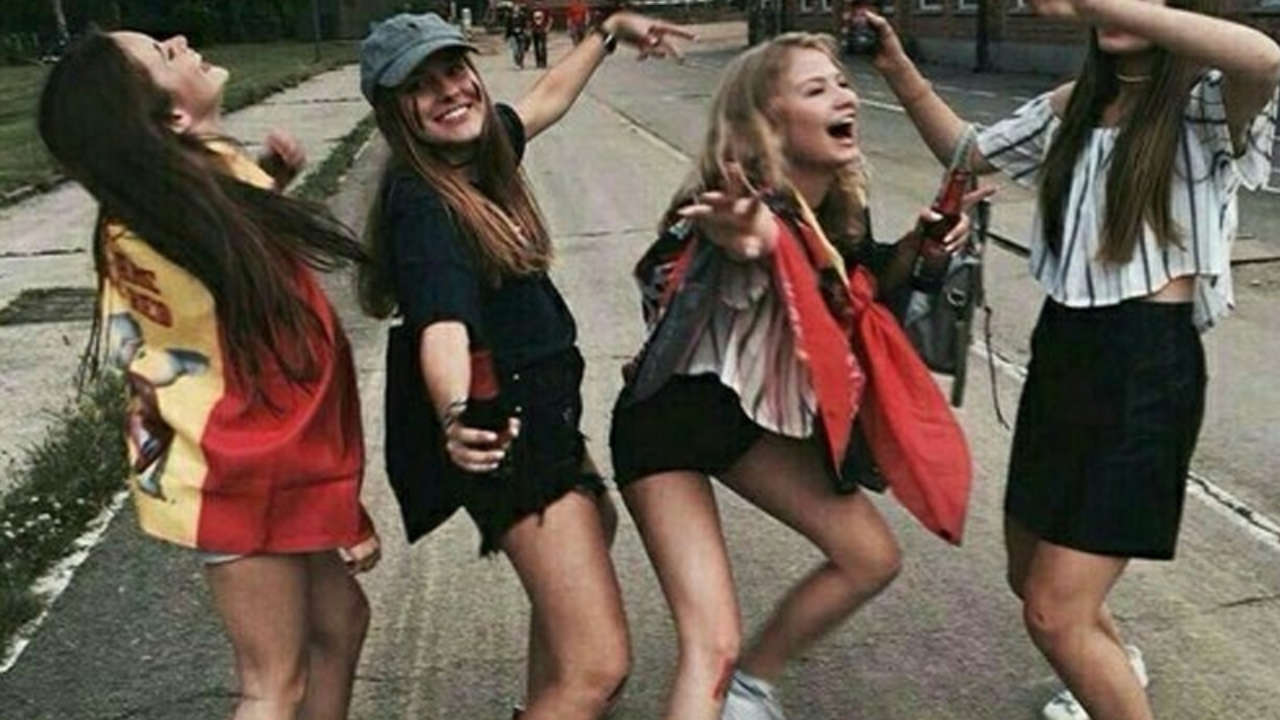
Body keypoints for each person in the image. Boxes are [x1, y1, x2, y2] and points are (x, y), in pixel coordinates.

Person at [864, 1, 1280, 718]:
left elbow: (1266, 58)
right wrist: (896, 66)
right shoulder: (1074, 104)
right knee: (1029, 576)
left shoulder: (1203, 103)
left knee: (1056, 612)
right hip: (1064, 350)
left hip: (1146, 365)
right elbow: (967, 152)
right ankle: (1114, 669)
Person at [609, 32, 990, 720]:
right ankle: (731, 681)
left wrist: (921, 248)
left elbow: (856, 283)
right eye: (816, 90)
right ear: (768, 122)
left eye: (841, 82)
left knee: (869, 557)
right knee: (710, 645)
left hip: (741, 423)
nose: (845, 97)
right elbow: (752, 243)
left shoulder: (834, 207)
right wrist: (749, 235)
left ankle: (751, 688)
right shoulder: (739, 209)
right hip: (665, 426)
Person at [356, 12, 692, 720]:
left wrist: (607, 31)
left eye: (453, 70)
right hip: (511, 438)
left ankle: (542, 703)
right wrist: (456, 412)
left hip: (543, 421)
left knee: (596, 532)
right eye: (420, 86)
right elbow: (442, 325)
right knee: (598, 667)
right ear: (394, 113)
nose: (449, 90)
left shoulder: (474, 158)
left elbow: (546, 99)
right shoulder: (424, 205)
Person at [38, 29, 382, 720]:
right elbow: (276, 373)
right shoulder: (174, 211)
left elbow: (226, 241)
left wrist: (271, 181)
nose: (180, 40)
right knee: (272, 682)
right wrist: (339, 501)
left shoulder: (172, 193)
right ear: (171, 117)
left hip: (236, 458)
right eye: (163, 54)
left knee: (340, 622)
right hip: (239, 462)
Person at [506, 3, 530, 69]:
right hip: (513, 35)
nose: (516, 9)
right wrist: (507, 36)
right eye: (515, 8)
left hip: (521, 34)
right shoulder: (510, 17)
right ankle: (517, 63)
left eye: (517, 8)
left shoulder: (522, 16)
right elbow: (508, 27)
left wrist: (525, 31)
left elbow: (526, 25)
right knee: (515, 50)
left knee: (522, 50)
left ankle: (521, 62)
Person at [530, 3, 553, 69]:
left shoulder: (545, 9)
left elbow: (550, 19)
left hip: (543, 30)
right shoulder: (532, 10)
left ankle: (544, 62)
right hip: (535, 30)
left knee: (543, 46)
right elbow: (529, 20)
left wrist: (547, 28)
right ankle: (538, 62)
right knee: (536, 47)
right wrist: (531, 28)